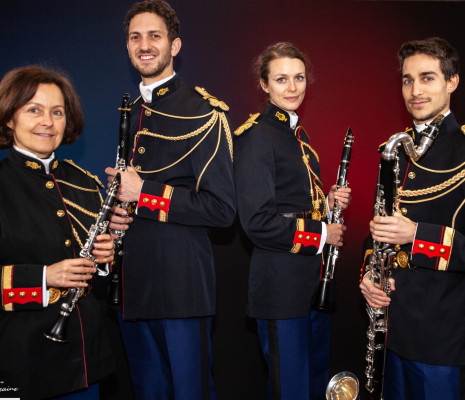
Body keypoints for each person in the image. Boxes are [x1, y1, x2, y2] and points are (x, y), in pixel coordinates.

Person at [104, 1, 236, 399]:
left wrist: (144, 194)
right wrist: (118, 211)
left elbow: (222, 210)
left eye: (154, 36)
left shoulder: (205, 112)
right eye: (135, 37)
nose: (144, 45)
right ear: (127, 47)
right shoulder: (132, 112)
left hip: (181, 288)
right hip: (131, 287)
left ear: (174, 46)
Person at [234, 42, 351, 400]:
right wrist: (323, 233)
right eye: (281, 79)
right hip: (280, 290)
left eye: (298, 78)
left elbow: (297, 206)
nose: (292, 87)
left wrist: (327, 203)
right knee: (291, 390)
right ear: (263, 85)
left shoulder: (301, 140)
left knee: (315, 385)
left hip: (313, 285)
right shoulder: (255, 137)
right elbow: (257, 222)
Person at [0, 66, 115, 400]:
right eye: (33, 110)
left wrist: (105, 260)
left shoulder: (85, 183)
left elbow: (103, 278)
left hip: (83, 360)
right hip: (17, 363)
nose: (47, 122)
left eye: (57, 112)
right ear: (9, 118)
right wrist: (45, 277)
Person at [360, 37, 465, 400]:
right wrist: (368, 277)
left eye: (427, 78)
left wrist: (416, 234)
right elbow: (377, 231)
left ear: (452, 82)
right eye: (407, 80)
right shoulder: (395, 151)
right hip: (394, 331)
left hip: (444, 341)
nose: (415, 90)